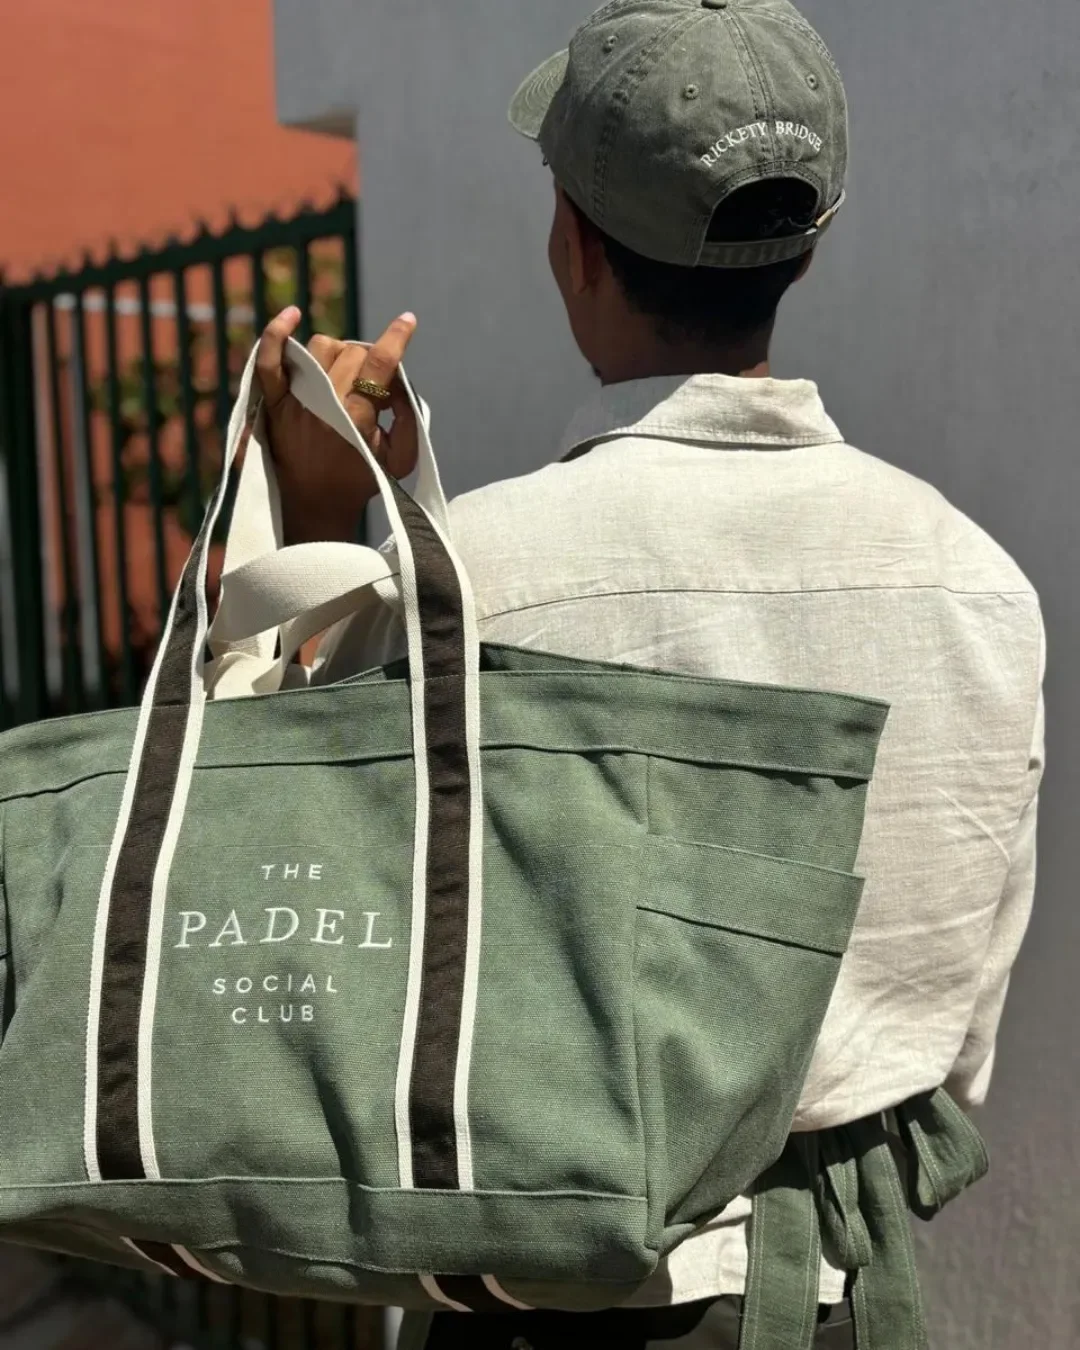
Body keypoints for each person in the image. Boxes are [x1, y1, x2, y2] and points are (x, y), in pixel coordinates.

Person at [251, 2, 1046, 1346]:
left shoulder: (465, 581)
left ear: (571, 241)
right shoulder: (982, 588)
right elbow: (957, 1045)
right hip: (838, 1304)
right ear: (809, 238)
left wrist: (317, 524)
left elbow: (287, 930)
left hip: (543, 1302)